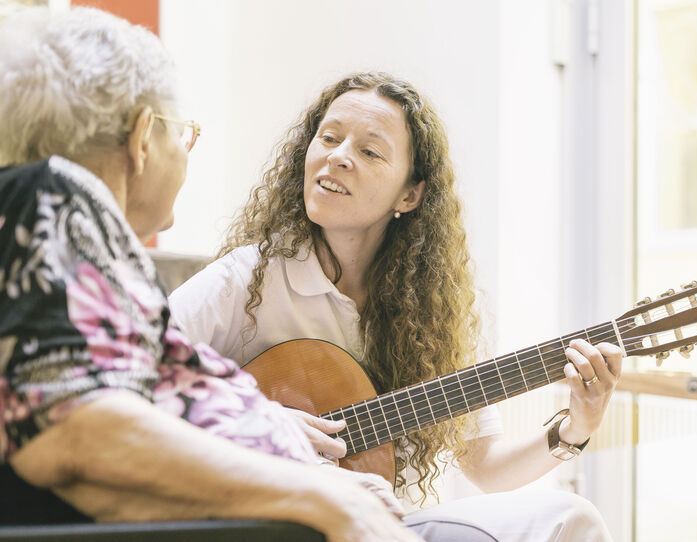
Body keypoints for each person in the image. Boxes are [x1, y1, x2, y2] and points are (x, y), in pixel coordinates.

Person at [0, 8, 425, 542]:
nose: (186, 155)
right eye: (186, 134)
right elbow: (77, 433)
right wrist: (323, 497)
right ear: (143, 138)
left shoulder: (80, 239)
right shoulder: (51, 197)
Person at [168, 71, 624, 540]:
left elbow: (487, 468)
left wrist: (575, 428)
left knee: (572, 517)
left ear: (409, 194)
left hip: (386, 523)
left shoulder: (436, 314)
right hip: (263, 519)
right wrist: (252, 419)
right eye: (329, 138)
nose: (338, 157)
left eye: (369, 151)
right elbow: (122, 381)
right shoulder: (247, 279)